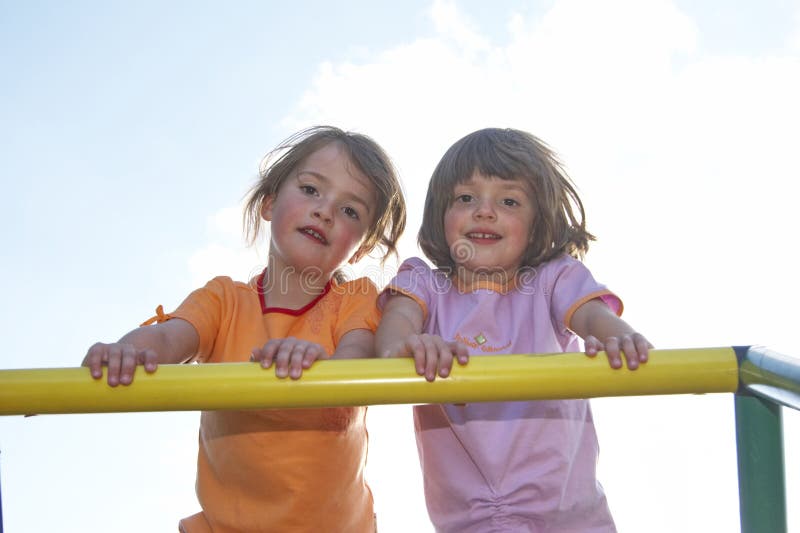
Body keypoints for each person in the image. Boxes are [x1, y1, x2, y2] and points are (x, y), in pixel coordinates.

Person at [83, 126, 406, 533]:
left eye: (350, 211)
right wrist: (126, 350)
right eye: (311, 190)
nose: (325, 211)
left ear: (359, 248)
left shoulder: (354, 299)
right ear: (269, 202)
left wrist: (326, 369)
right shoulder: (224, 301)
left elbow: (357, 352)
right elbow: (168, 339)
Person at [375, 127, 651, 532]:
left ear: (537, 222)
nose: (484, 211)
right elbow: (394, 331)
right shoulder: (424, 284)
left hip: (568, 516)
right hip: (472, 519)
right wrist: (407, 345)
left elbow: (593, 317)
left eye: (509, 201)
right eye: (465, 198)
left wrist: (616, 334)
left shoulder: (552, 281)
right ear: (440, 214)